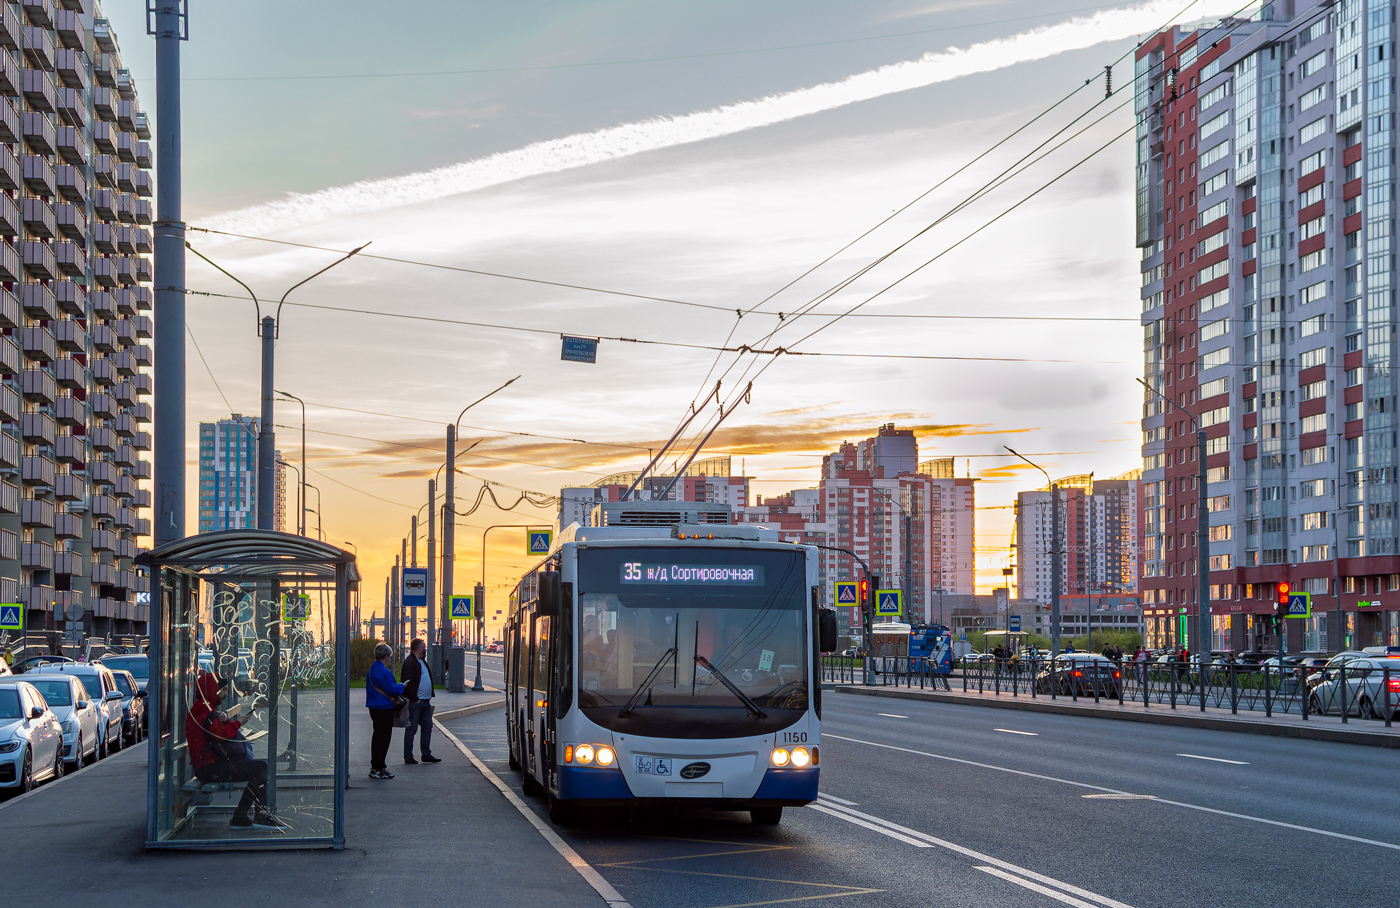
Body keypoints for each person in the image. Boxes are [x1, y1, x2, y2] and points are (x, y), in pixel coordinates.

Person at [185, 671, 283, 830]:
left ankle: (244, 816)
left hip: (209, 765)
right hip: (209, 767)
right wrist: (238, 723)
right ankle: (257, 816)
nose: (225, 694)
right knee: (260, 768)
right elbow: (222, 737)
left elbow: (217, 734)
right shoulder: (205, 711)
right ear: (212, 689)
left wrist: (224, 719)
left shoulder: (205, 708)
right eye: (222, 690)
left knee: (258, 769)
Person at [366, 643, 405, 780]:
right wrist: (402, 686)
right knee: (383, 739)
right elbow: (392, 689)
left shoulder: (372, 669)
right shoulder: (383, 671)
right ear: (387, 656)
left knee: (377, 737)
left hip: (374, 707)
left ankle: (376, 766)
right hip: (384, 708)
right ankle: (379, 768)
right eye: (389, 656)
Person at [399, 638, 440, 765]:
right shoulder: (410, 662)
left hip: (425, 702)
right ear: (419, 648)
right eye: (424, 647)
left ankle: (426, 754)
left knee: (428, 727)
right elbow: (407, 682)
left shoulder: (421, 661)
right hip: (415, 702)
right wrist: (414, 699)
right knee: (411, 729)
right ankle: (408, 756)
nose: (425, 649)